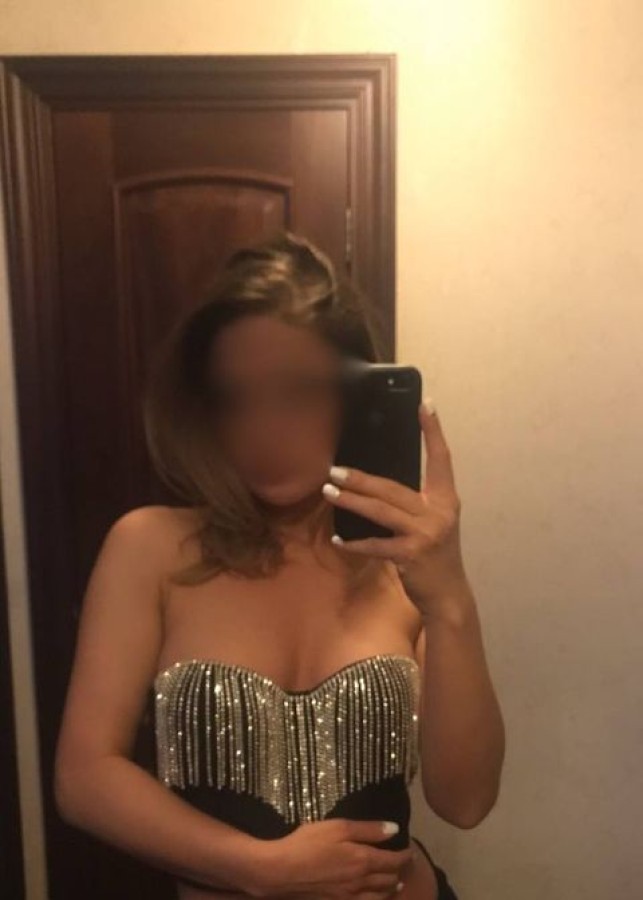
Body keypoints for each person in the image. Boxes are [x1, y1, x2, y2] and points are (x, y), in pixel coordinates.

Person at [54, 232, 505, 900]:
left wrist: (450, 599)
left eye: (296, 392)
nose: (263, 428)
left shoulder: (400, 565)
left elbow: (465, 801)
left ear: (353, 396)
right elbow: (85, 776)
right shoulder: (151, 548)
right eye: (236, 398)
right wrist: (259, 868)